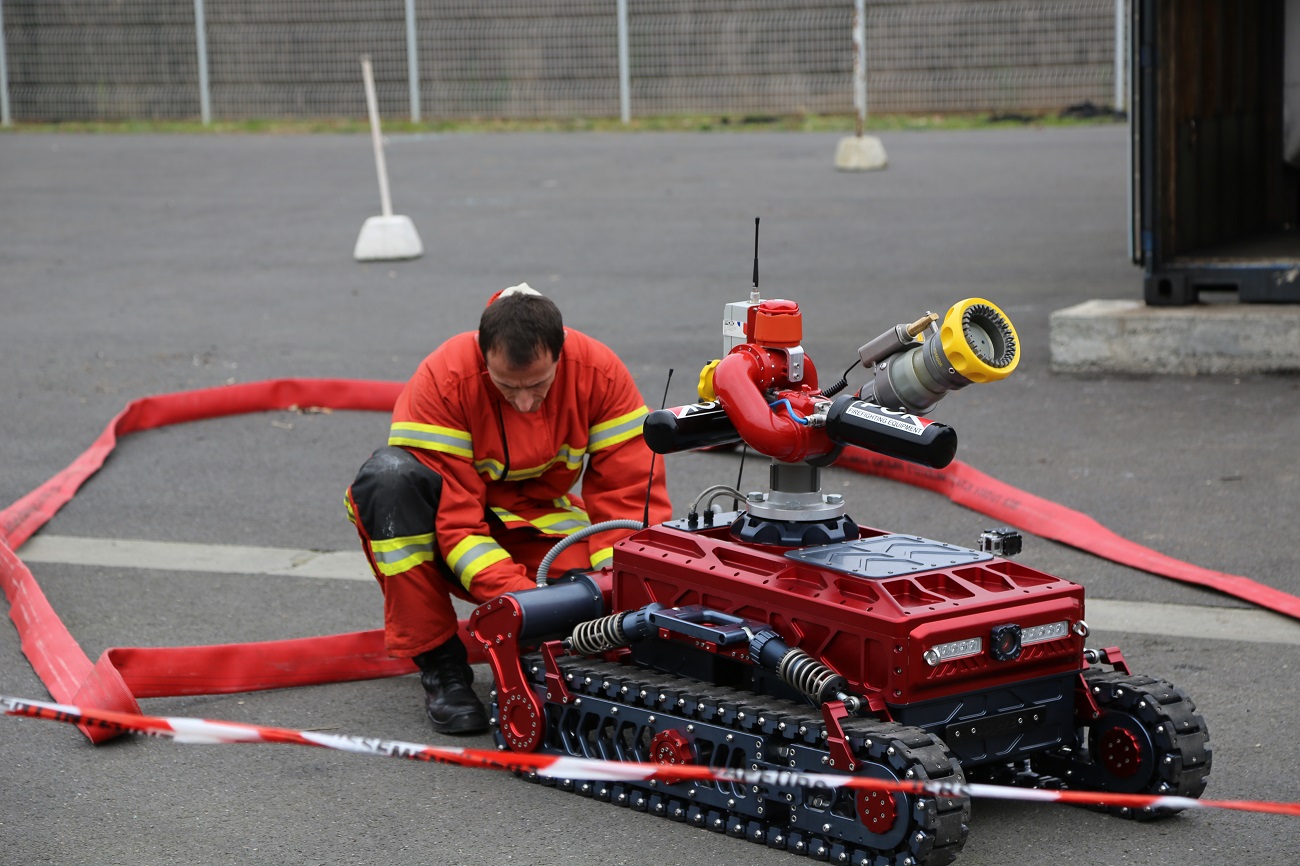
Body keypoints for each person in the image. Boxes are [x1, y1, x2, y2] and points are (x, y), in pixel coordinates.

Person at [346, 284, 673, 734]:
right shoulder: (444, 380)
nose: (523, 402)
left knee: (588, 599)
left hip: (538, 525)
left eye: (538, 385)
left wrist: (627, 599)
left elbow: (629, 500)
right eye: (506, 387)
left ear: (563, 353)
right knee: (389, 479)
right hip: (448, 535)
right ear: (483, 359)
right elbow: (457, 528)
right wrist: (528, 603)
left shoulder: (598, 372)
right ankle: (443, 667)